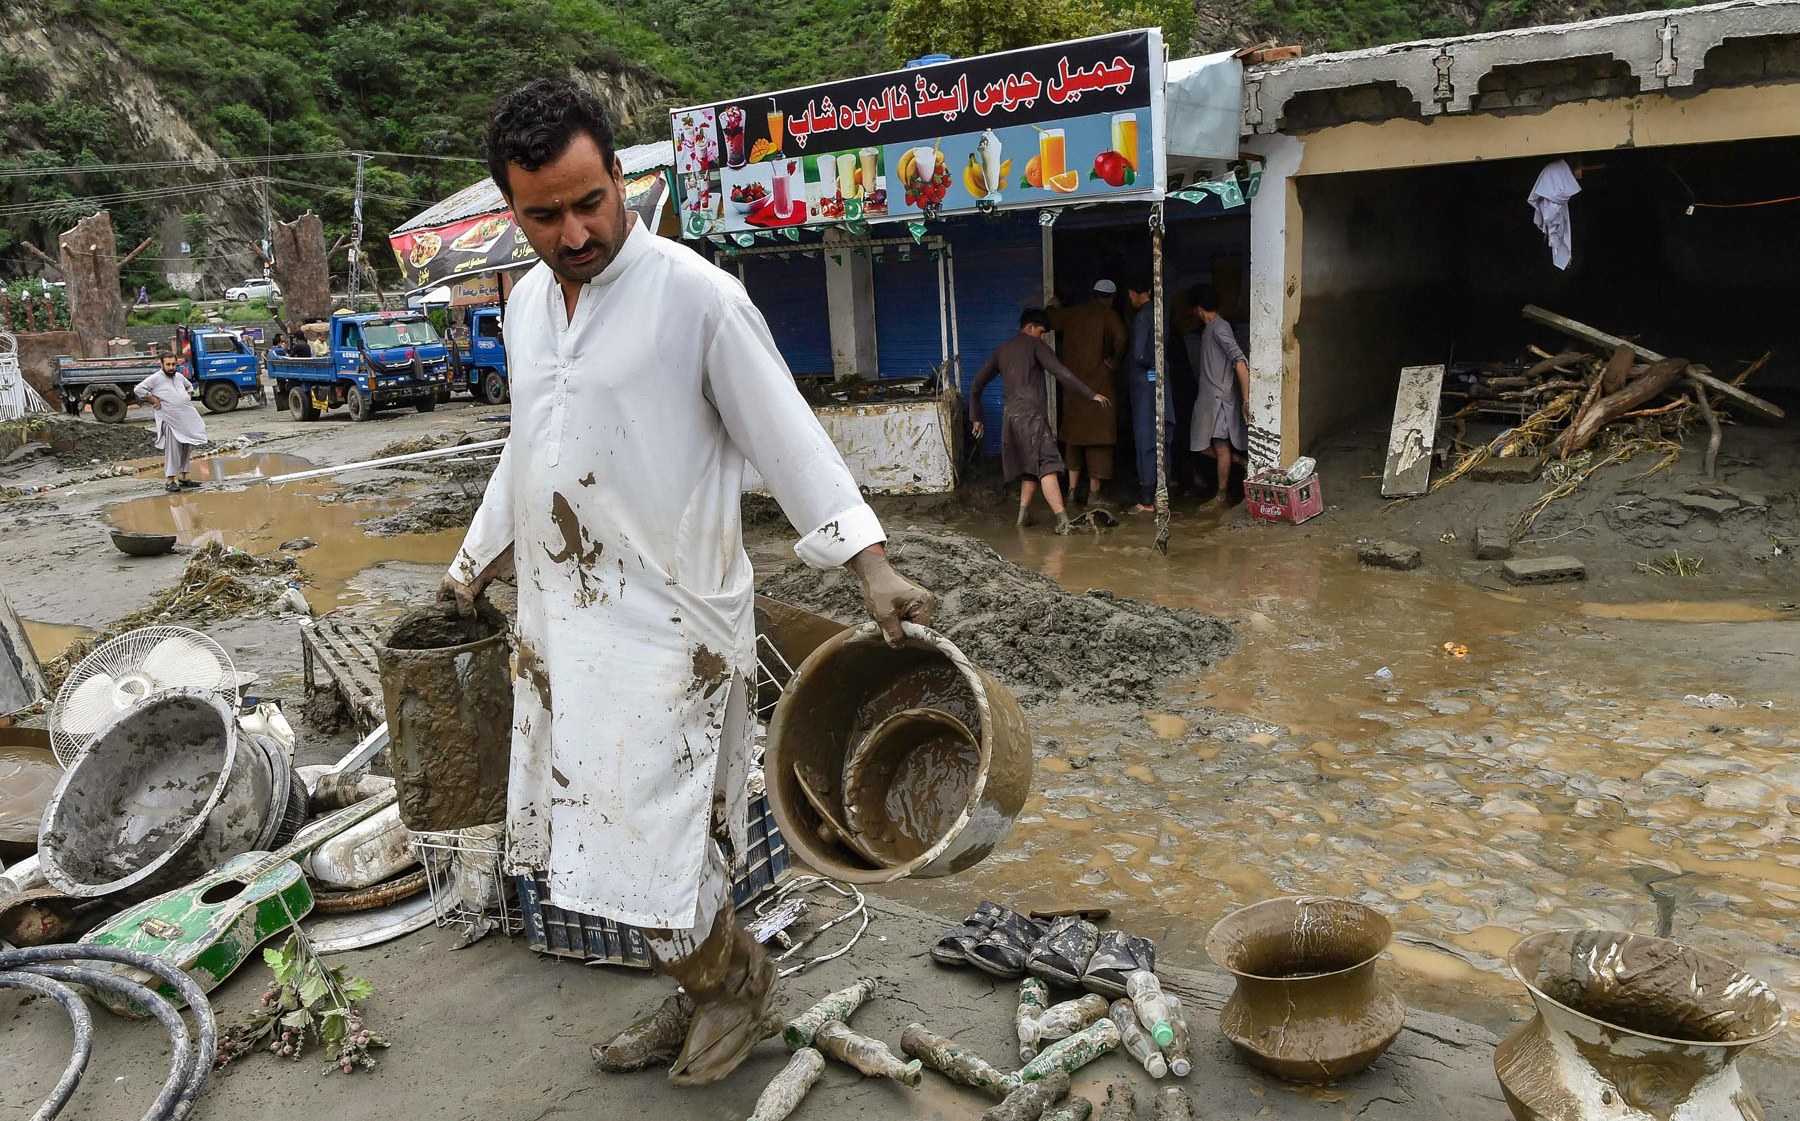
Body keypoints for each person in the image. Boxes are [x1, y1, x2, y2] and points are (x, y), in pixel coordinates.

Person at [438, 77, 934, 1086]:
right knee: (619, 834)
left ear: (622, 177)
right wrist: (467, 570)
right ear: (512, 211)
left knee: (649, 839)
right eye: (546, 214)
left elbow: (789, 439)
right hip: (563, 621)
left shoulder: (699, 298)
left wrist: (869, 565)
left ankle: (737, 984)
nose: (575, 231)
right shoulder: (528, 306)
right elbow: (529, 449)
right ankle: (701, 984)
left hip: (674, 632)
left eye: (591, 201)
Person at [970, 308, 1111, 535]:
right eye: (1042, 331)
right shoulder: (1035, 345)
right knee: (1048, 465)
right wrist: (1090, 394)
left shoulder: (1002, 350)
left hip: (1011, 419)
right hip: (1031, 418)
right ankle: (1063, 520)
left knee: (1031, 468)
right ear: (1030, 327)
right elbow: (1061, 372)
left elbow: (976, 384)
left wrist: (976, 417)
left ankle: (1022, 518)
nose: (1043, 337)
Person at [1046, 280, 1127, 505]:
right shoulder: (1109, 315)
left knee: (1073, 438)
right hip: (1099, 385)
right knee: (1098, 440)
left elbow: (1049, 320)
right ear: (1111, 298)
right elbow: (1122, 337)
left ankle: (1071, 491)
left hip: (1073, 387)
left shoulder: (1072, 313)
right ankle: (1094, 493)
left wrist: (1051, 306)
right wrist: (1113, 361)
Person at [1185, 283, 1250, 507]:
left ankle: (1221, 495)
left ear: (1198, 308)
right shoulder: (1211, 328)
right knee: (1202, 445)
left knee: (1220, 446)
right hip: (1209, 400)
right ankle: (1240, 461)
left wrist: (1246, 399)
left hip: (1220, 400)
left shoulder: (1220, 328)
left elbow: (1239, 361)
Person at [1122, 276, 1171, 513]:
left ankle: (1147, 498)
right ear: (1151, 290)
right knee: (1162, 439)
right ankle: (1163, 493)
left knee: (1146, 440)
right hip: (1160, 384)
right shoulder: (1161, 312)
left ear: (1132, 293)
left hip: (1145, 387)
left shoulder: (1142, 316)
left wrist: (1152, 366)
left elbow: (1139, 355)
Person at [134, 353, 207, 493]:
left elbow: (190, 387)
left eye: (173, 364)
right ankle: (170, 481)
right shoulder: (156, 378)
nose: (171, 367)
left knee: (186, 447)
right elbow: (139, 390)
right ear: (161, 364)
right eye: (168, 364)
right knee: (173, 450)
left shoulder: (179, 377)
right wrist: (153, 400)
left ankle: (184, 477)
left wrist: (186, 399)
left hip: (184, 420)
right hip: (169, 420)